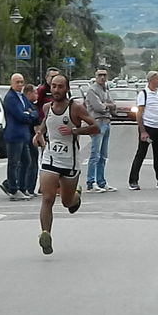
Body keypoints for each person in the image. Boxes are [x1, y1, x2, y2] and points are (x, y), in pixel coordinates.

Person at [33, 74, 98, 255]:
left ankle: (76, 196)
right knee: (47, 198)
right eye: (53, 86)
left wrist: (74, 130)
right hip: (50, 159)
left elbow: (95, 127)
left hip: (70, 161)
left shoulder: (75, 108)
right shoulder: (47, 108)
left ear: (66, 89)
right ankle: (46, 234)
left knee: (67, 202)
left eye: (60, 86)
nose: (56, 90)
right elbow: (44, 127)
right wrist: (38, 135)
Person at [128, 70, 158, 190]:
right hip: (148, 128)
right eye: (157, 79)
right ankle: (133, 181)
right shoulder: (144, 94)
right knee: (141, 154)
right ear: (151, 80)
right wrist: (143, 131)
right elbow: (139, 113)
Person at [0, 74, 38, 201]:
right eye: (17, 82)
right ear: (11, 83)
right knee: (14, 163)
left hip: (24, 135)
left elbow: (34, 110)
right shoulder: (10, 98)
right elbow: (20, 116)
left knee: (27, 161)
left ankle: (22, 187)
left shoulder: (21, 96)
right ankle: (13, 189)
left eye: (22, 82)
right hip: (14, 135)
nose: (20, 84)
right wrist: (28, 115)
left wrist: (30, 114)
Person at [85, 69, 117, 192]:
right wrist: (108, 105)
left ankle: (101, 182)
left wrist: (108, 105)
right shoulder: (92, 90)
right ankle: (91, 182)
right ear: (95, 76)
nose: (102, 77)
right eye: (100, 75)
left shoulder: (106, 89)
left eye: (104, 75)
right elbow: (99, 107)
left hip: (107, 122)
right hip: (97, 122)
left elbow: (113, 105)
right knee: (95, 154)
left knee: (103, 155)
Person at [23, 83, 41, 197]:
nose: (37, 95)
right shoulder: (26, 104)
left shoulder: (32, 105)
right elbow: (32, 118)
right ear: (28, 93)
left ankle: (30, 188)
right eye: (35, 92)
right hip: (28, 136)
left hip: (31, 135)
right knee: (30, 163)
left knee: (33, 162)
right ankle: (27, 187)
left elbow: (35, 115)